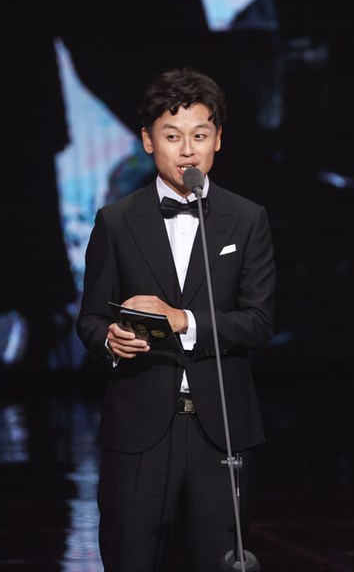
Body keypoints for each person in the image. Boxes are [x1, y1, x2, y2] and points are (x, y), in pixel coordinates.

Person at [76, 67, 275, 570]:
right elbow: (90, 319)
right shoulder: (117, 221)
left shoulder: (247, 219)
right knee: (132, 558)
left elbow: (257, 322)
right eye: (172, 136)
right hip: (139, 429)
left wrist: (183, 320)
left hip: (222, 429)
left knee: (221, 560)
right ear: (147, 141)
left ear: (218, 140)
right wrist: (110, 340)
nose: (187, 150)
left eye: (200, 135)